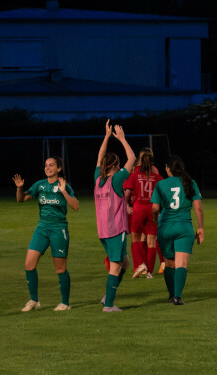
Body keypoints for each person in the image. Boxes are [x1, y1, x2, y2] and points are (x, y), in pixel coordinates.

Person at [13, 156, 79, 312]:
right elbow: (20, 200)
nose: (47, 168)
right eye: (46, 165)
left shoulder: (64, 186)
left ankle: (65, 303)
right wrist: (19, 188)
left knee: (60, 268)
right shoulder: (40, 185)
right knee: (29, 264)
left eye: (51, 165)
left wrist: (64, 192)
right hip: (41, 229)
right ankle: (34, 300)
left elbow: (75, 206)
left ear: (59, 168)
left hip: (58, 229)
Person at [95, 120, 136, 312]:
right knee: (116, 265)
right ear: (116, 166)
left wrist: (105, 136)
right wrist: (122, 139)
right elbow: (132, 159)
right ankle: (109, 305)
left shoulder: (98, 180)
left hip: (103, 231)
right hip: (115, 229)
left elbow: (99, 157)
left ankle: (107, 296)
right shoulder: (116, 179)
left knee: (125, 263)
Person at [151, 155, 204, 305]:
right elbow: (198, 207)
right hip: (184, 227)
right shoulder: (190, 182)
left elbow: (155, 207)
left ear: (168, 168)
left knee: (169, 264)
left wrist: (155, 218)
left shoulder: (161, 184)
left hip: (166, 227)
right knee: (181, 264)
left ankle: (171, 295)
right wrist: (201, 228)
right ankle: (177, 297)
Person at [126, 149, 163, 279]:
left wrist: (126, 205)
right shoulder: (158, 177)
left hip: (139, 208)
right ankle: (149, 273)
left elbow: (127, 193)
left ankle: (141, 264)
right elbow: (162, 196)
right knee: (151, 241)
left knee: (135, 238)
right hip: (152, 210)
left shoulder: (135, 175)